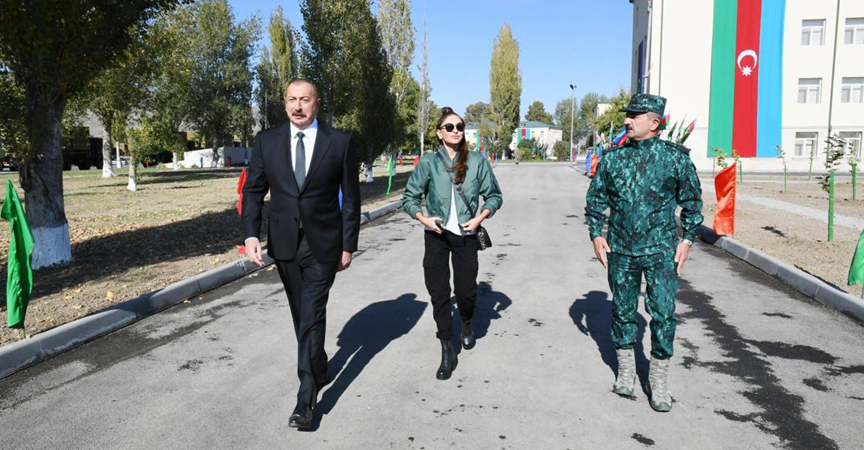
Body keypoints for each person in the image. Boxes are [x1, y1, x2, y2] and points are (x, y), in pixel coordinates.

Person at [241, 79, 360, 429]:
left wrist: (348, 245)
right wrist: (251, 234)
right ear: (284, 103)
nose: (297, 106)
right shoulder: (267, 141)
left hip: (324, 244)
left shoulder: (340, 142)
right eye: (292, 100)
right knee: (301, 314)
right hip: (285, 244)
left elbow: (351, 198)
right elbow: (253, 191)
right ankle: (319, 366)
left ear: (317, 103)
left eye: (304, 100)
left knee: (311, 314)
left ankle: (306, 400)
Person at [584, 94, 703, 412]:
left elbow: (692, 203)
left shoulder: (675, 159)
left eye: (634, 115)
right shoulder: (612, 159)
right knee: (622, 312)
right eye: (627, 115)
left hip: (661, 252)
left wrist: (687, 240)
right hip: (621, 250)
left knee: (663, 316)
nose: (627, 120)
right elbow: (595, 200)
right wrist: (596, 234)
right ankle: (626, 372)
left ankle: (658, 380)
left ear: (654, 122)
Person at [402, 107, 503, 380]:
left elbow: (494, 196)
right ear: (439, 133)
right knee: (438, 292)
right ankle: (447, 347)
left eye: (459, 127)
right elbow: (410, 197)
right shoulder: (428, 162)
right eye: (450, 127)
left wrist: (480, 217)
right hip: (436, 235)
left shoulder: (477, 161)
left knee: (466, 292)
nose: (456, 131)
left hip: (466, 235)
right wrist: (423, 218)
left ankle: (467, 321)